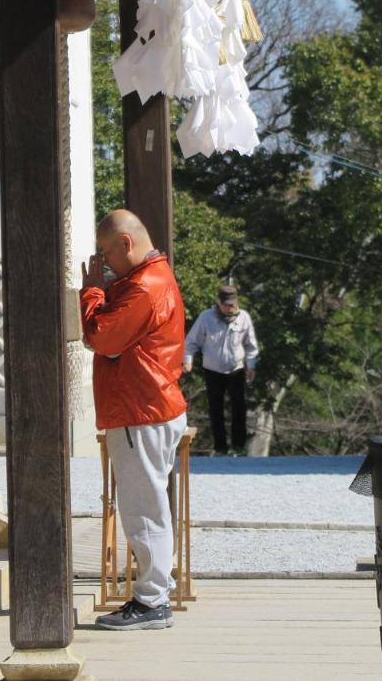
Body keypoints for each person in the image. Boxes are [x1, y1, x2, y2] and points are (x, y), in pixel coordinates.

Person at [80, 209, 188, 631]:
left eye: (107, 253)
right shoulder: (149, 279)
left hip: (138, 409)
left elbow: (104, 338)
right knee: (150, 504)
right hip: (149, 406)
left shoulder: (145, 286)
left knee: (143, 508)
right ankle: (154, 592)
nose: (105, 264)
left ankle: (151, 600)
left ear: (126, 244)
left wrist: (91, 293)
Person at [182, 284, 259, 456]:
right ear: (219, 303)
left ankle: (239, 447)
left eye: (232, 304)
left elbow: (251, 345)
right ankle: (220, 447)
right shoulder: (206, 317)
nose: (230, 308)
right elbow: (191, 342)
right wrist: (188, 360)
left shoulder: (244, 318)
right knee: (215, 409)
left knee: (239, 408)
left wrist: (251, 365)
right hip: (213, 370)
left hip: (236, 370)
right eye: (226, 305)